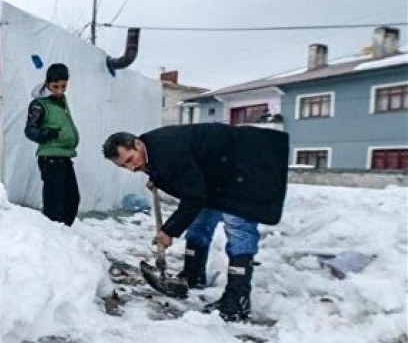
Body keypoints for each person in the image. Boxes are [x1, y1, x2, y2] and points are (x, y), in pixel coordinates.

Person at [102, 124, 289, 321]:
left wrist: (169, 231)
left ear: (138, 144)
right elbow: (187, 181)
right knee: (201, 220)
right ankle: (193, 274)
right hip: (218, 175)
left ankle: (237, 300)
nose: (131, 168)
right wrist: (156, 175)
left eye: (130, 160)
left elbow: (193, 196)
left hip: (248, 165)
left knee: (238, 226)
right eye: (124, 166)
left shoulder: (167, 150)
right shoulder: (152, 150)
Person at [24, 63, 81, 226]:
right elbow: (29, 130)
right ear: (47, 83)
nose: (59, 90)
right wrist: (48, 133)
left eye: (63, 86)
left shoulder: (61, 101)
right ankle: (53, 239)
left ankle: (64, 234)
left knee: (72, 199)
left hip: (65, 157)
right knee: (54, 204)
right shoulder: (39, 105)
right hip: (50, 158)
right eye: (55, 86)